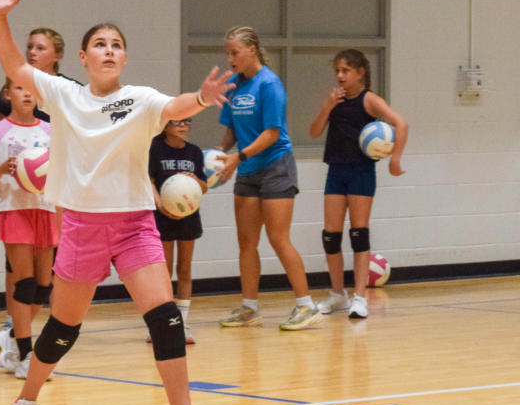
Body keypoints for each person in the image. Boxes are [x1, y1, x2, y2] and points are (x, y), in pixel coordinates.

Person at [0, 0, 237, 405]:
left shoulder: (141, 99)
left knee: (165, 320)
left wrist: (204, 98)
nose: (108, 50)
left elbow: (176, 105)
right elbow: (15, 66)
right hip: (82, 227)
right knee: (63, 330)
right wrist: (0, 15)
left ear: (125, 58)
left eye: (116, 45)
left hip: (135, 225)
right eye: (99, 44)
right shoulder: (63, 94)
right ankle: (24, 403)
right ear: (82, 58)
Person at [215, 26, 322, 331]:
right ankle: (250, 309)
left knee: (278, 238)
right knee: (247, 243)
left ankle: (306, 306)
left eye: (235, 52)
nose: (231, 58)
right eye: (228, 53)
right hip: (248, 170)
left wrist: (239, 156)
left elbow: (272, 133)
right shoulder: (234, 86)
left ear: (252, 50)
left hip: (276, 167)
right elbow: (232, 130)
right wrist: (220, 153)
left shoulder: (269, 84)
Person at [0, 27, 79, 349]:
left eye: (40, 48)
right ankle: (15, 326)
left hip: (55, 191)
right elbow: (2, 135)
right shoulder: (17, 83)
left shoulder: (68, 90)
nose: (31, 52)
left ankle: (39, 322)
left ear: (57, 55)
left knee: (50, 265)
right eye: (29, 46)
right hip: (18, 197)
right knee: (17, 267)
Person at [309, 49, 408, 318]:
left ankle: (360, 298)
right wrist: (328, 105)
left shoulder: (369, 100)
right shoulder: (335, 99)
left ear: (360, 73)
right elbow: (314, 131)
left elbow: (401, 124)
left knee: (359, 234)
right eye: (337, 71)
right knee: (330, 237)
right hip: (336, 172)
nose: (340, 76)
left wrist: (394, 160)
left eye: (346, 71)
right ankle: (337, 295)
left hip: (361, 172)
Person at [0, 77, 58, 378]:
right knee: (23, 285)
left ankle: (13, 336)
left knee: (43, 287)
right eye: (19, 88)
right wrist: (3, 168)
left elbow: (60, 175)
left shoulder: (51, 131)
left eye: (31, 89)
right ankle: (26, 355)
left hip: (45, 210)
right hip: (13, 210)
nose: (27, 94)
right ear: (7, 94)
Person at [149, 118, 208, 344]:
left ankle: (182, 324)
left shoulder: (194, 152)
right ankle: (161, 323)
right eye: (177, 123)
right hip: (162, 215)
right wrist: (161, 206)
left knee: (184, 269)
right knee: (163, 270)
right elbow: (148, 181)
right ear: (165, 125)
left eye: (187, 122)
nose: (183, 126)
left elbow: (203, 187)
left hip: (188, 217)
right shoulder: (155, 147)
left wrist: (196, 182)